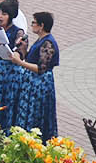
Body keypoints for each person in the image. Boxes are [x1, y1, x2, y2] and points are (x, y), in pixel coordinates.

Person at [9, 11, 59, 139]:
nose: (32, 25)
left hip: (39, 84)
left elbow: (41, 68)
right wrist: (23, 49)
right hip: (32, 82)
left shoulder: (48, 43)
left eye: (34, 23)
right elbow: (33, 59)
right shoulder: (41, 40)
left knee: (36, 112)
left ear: (41, 25)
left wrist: (20, 62)